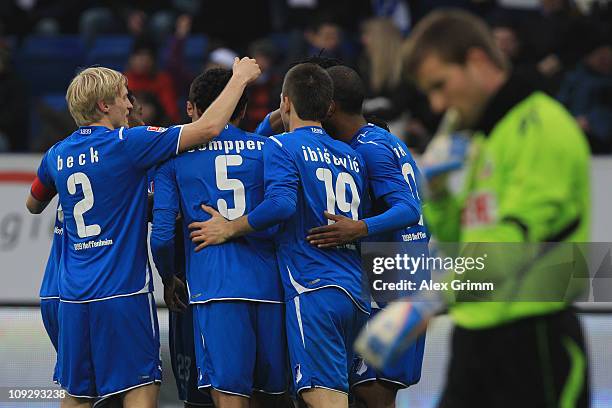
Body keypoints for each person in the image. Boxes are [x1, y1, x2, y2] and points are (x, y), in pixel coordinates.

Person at [356, 9, 590, 408]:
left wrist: (427, 301)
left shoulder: (541, 127)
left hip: (533, 340)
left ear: (478, 61)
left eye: (440, 85)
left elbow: (507, 246)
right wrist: (441, 197)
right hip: (475, 337)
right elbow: (458, 243)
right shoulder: (484, 138)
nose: (436, 103)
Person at [25, 59, 260, 407]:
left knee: (78, 394)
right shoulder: (128, 143)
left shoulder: (56, 154)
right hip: (122, 292)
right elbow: (209, 128)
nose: (130, 104)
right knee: (142, 387)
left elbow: (34, 203)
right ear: (105, 106)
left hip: (73, 296)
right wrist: (239, 78)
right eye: (123, 97)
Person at [189, 63, 370, 408]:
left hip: (314, 289)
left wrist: (231, 226)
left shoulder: (282, 146)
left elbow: (281, 205)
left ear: (285, 103)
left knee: (326, 400)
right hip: (354, 293)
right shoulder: (352, 156)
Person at [151, 67, 286, 408]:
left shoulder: (174, 157)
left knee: (228, 398)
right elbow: (283, 208)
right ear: (241, 110)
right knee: (272, 398)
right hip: (273, 289)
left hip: (216, 291)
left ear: (191, 108)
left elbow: (163, 235)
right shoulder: (268, 149)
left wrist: (170, 277)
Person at [306, 65, 427, 408]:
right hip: (403, 273)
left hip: (395, 279)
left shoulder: (369, 148)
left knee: (372, 393)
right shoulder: (380, 138)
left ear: (329, 108)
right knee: (365, 391)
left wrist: (359, 228)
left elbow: (409, 209)